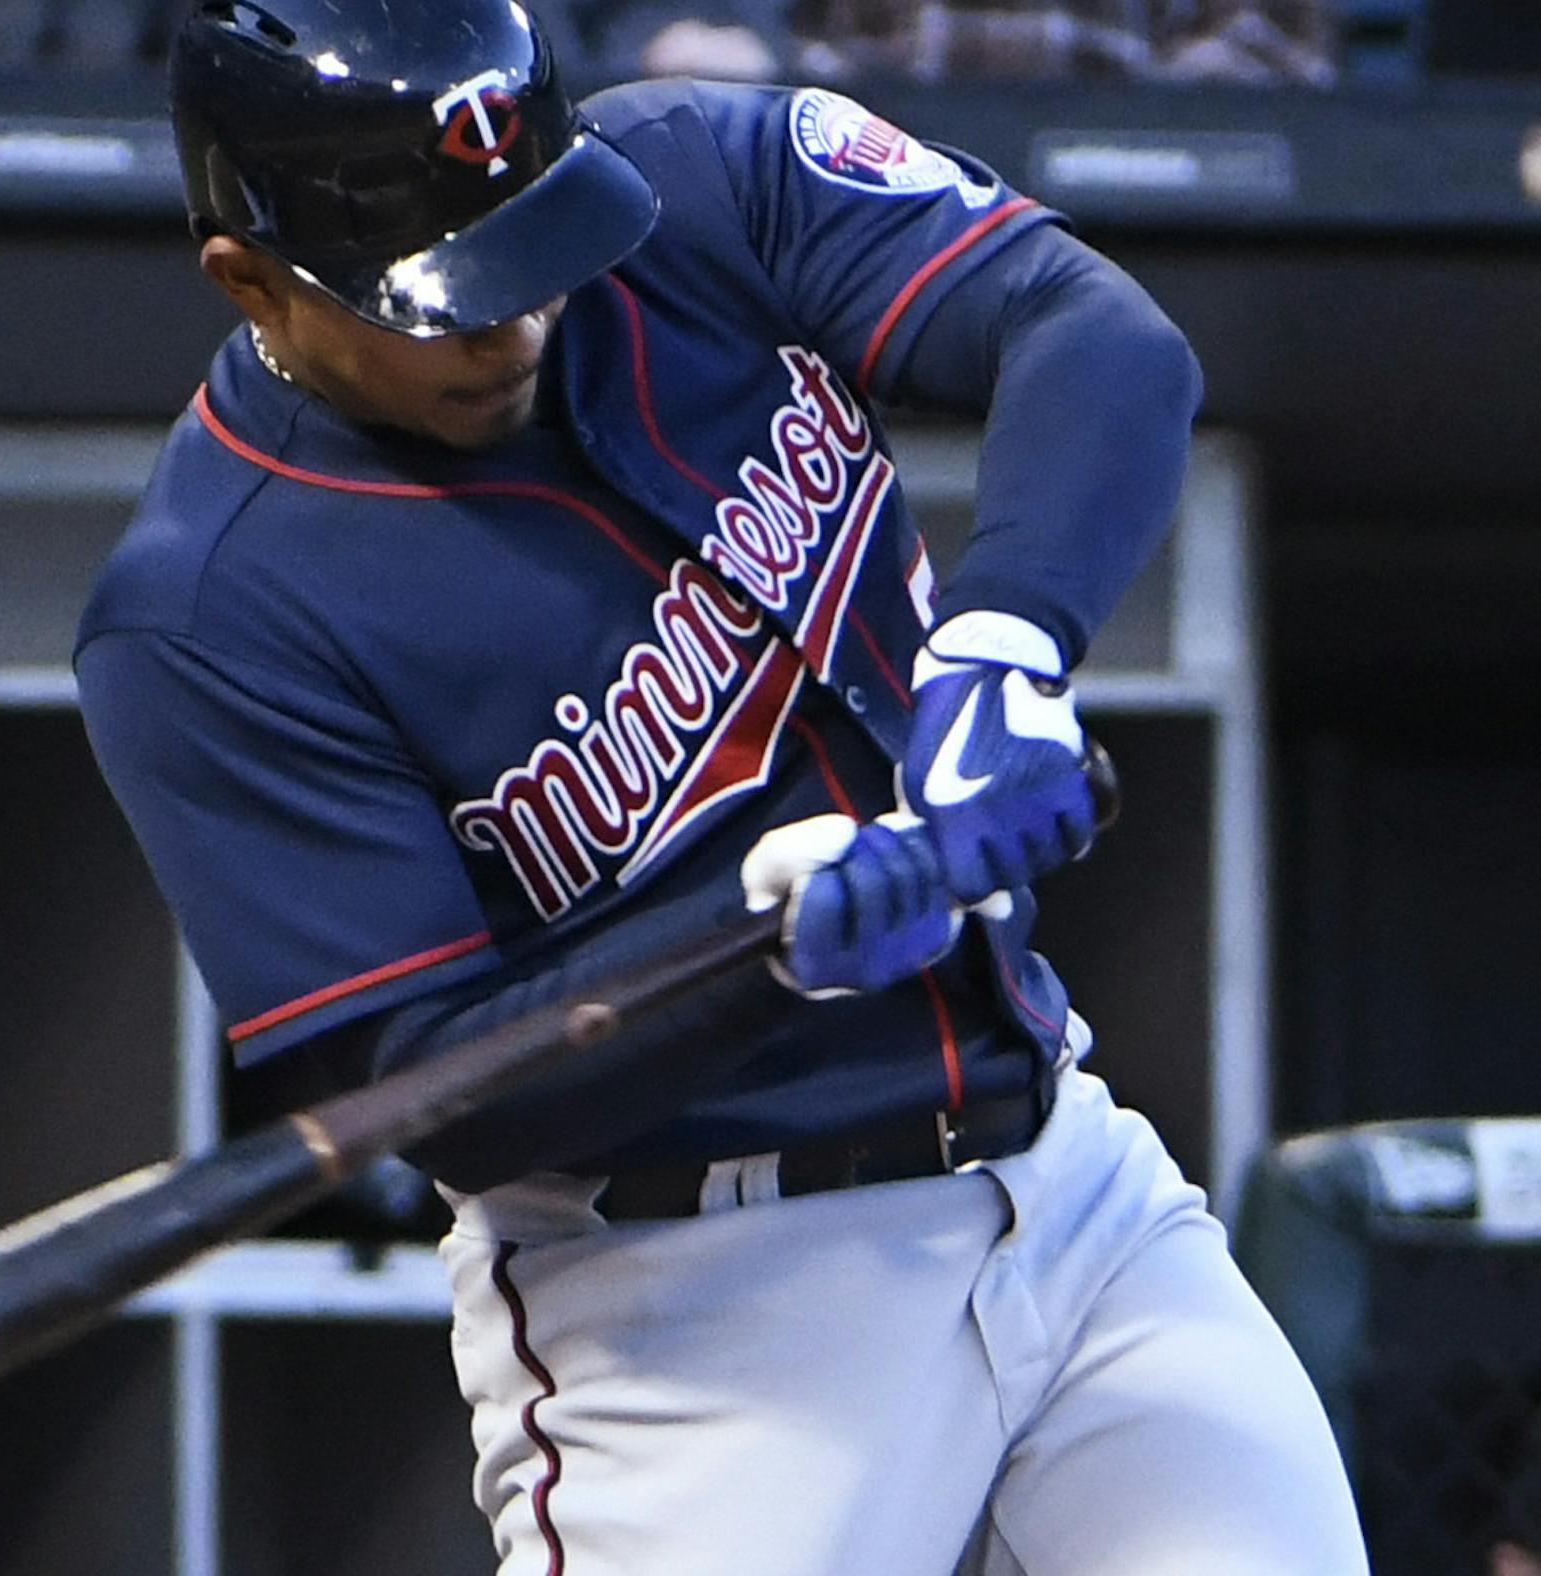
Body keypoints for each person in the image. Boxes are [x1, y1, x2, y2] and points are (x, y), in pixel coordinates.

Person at [74, 1, 1369, 1569]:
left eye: (532, 243)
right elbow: (425, 1086)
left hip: (1064, 1177)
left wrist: (1010, 638)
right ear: (248, 276)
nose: (511, 324)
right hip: (694, 1317)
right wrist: (760, 961)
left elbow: (1094, 335)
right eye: (442, 296)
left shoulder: (696, 173)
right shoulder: (205, 613)